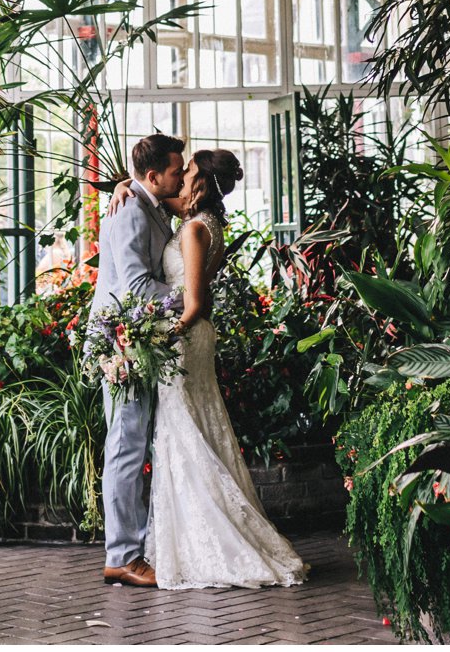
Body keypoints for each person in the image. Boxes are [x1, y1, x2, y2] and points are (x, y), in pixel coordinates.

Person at [144, 149, 309, 590]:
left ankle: (212, 542)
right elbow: (157, 194)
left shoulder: (197, 230)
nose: (182, 177)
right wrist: (128, 183)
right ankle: (197, 535)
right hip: (190, 339)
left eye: (190, 171)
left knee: (187, 433)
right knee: (195, 430)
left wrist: (161, 336)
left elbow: (196, 303)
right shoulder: (206, 222)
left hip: (184, 338)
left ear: (201, 181)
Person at [90, 132, 185, 587]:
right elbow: (133, 287)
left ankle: (131, 549)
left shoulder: (146, 202)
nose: (182, 175)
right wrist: (189, 296)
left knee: (133, 442)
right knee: (125, 446)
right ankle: (122, 557)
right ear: (153, 176)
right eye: (175, 170)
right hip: (122, 343)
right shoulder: (131, 210)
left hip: (140, 339)